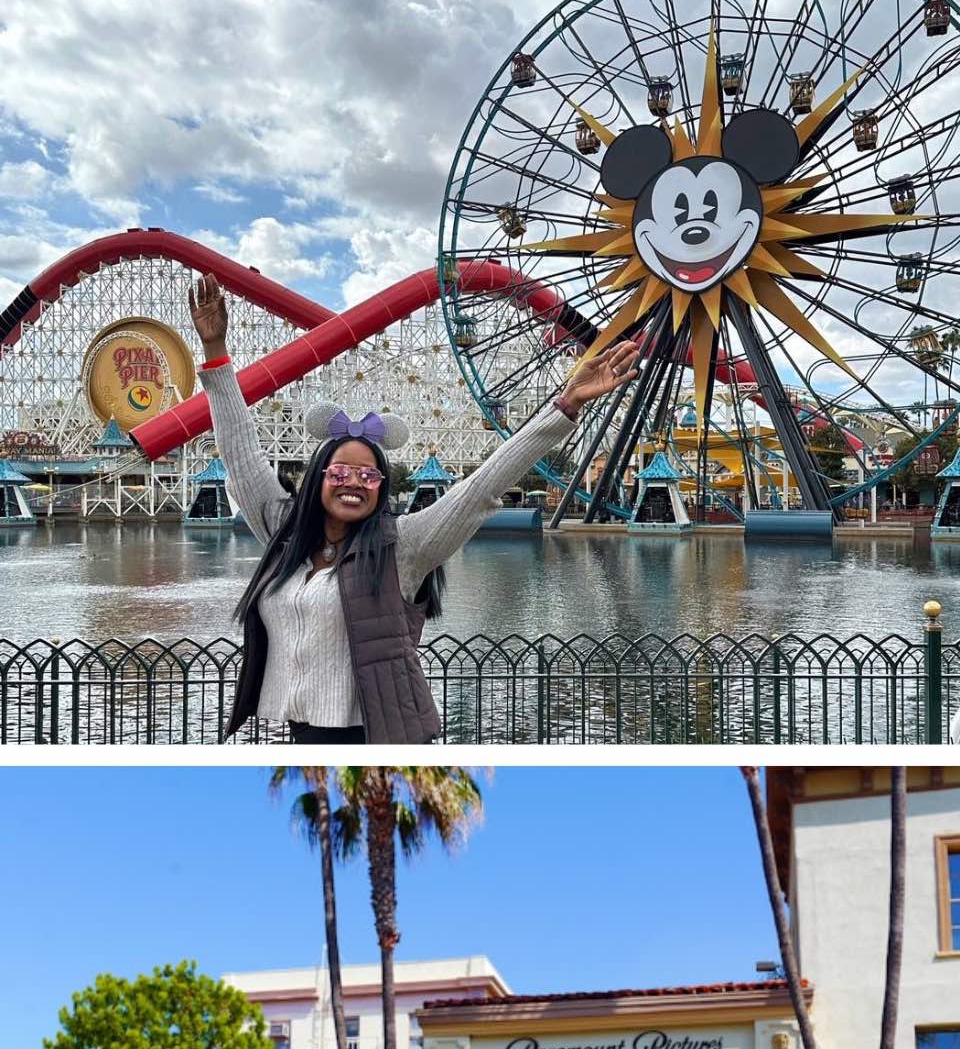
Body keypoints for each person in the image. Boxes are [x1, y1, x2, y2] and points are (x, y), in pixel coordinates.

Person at [187, 270, 638, 743]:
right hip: (299, 729)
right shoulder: (283, 538)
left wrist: (563, 406)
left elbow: (481, 488)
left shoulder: (404, 546)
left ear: (382, 487)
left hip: (379, 735)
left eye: (369, 475)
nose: (354, 484)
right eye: (341, 473)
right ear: (319, 477)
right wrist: (215, 353)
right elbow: (241, 457)